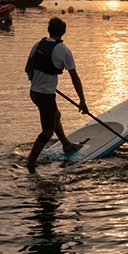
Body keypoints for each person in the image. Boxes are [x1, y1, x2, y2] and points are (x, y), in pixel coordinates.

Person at [24, 17, 89, 172]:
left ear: (49, 30)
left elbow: (28, 68)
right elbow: (75, 78)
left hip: (34, 92)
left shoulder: (37, 45)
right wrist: (82, 101)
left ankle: (66, 144)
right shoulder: (64, 51)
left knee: (56, 116)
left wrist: (36, 79)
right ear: (63, 32)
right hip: (46, 96)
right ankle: (30, 163)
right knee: (47, 131)